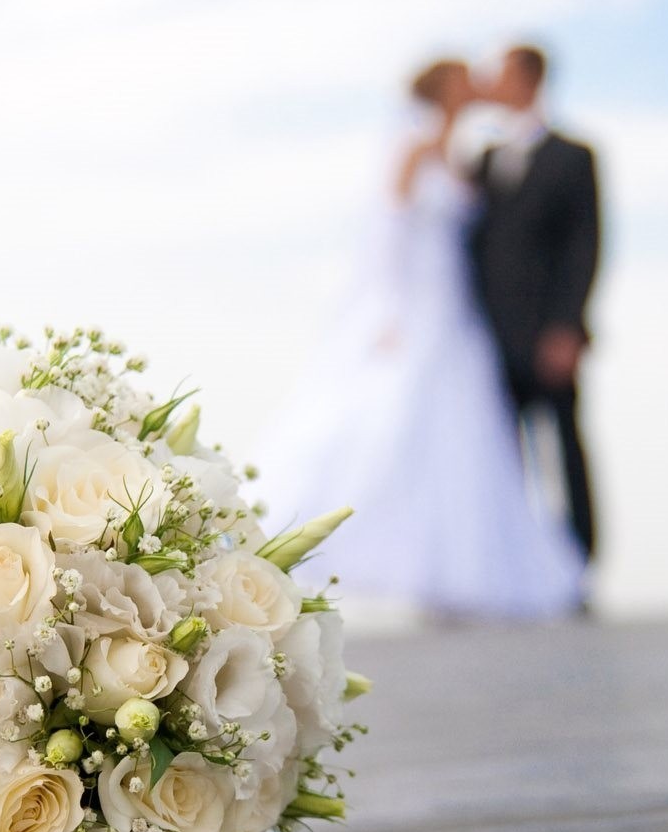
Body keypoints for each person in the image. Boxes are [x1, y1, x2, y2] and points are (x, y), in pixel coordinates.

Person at [254, 59, 585, 619]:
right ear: (440, 92)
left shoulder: (465, 156)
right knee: (391, 428)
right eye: (463, 81)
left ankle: (456, 574)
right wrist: (389, 310)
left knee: (463, 442)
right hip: (417, 307)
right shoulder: (410, 148)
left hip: (459, 312)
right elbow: (386, 231)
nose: (476, 87)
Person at [465, 45, 603, 562]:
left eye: (497, 74)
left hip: (549, 336)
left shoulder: (574, 156)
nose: (488, 84)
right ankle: (513, 569)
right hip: (486, 338)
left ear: (528, 79)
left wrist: (568, 326)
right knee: (499, 460)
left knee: (565, 449)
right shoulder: (480, 163)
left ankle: (578, 566)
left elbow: (585, 246)